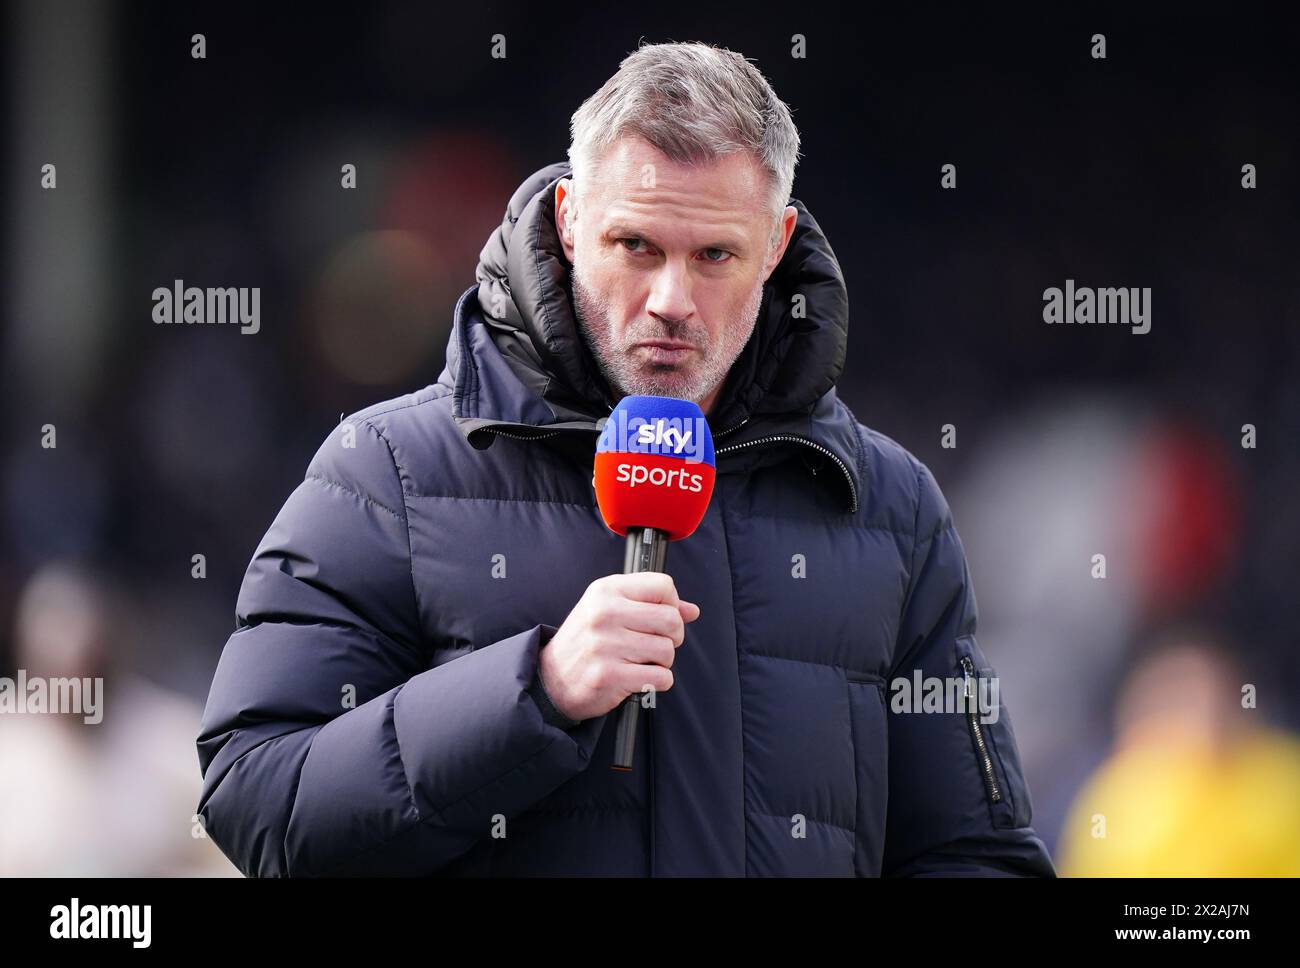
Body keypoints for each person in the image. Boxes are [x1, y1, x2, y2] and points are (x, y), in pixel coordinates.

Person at [196, 40, 1055, 877]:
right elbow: (257, 801)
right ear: (570, 223)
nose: (671, 301)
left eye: (715, 255)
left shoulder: (888, 505)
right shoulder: (385, 471)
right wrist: (535, 692)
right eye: (636, 246)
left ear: (776, 246)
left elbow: (972, 853)